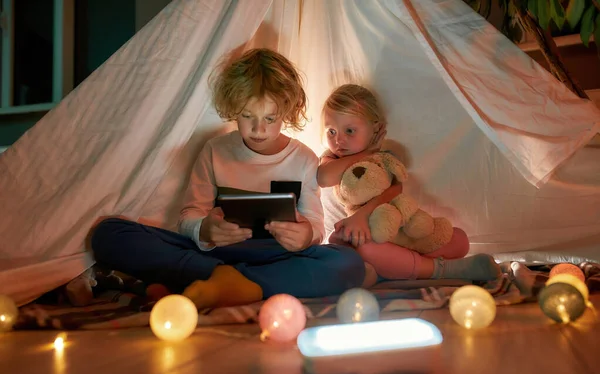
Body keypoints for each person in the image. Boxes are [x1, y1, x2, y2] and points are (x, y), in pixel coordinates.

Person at [91, 49, 365, 309]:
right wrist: (205, 230)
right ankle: (233, 281)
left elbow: (315, 223)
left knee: (348, 262)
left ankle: (229, 283)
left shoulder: (304, 158)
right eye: (248, 116)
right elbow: (189, 215)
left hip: (277, 257)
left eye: (270, 118)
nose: (259, 129)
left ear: (286, 112)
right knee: (110, 234)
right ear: (235, 109)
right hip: (216, 255)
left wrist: (306, 236)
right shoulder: (215, 150)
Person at [317, 83, 500, 282]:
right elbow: (324, 177)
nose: (339, 141)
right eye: (331, 132)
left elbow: (396, 188)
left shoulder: (383, 156)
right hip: (368, 233)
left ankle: (402, 265)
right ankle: (439, 270)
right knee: (364, 250)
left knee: (460, 240)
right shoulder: (333, 158)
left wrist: (363, 213)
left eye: (349, 131)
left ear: (375, 128)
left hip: (401, 228)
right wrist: (368, 152)